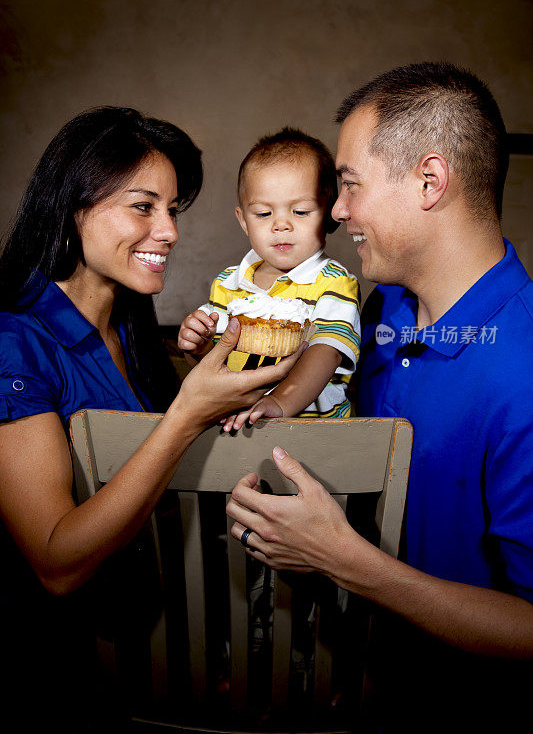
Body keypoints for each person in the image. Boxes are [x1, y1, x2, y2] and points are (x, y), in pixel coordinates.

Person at [226, 63, 533, 731]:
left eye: (348, 184)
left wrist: (343, 559)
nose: (335, 211)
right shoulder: (381, 309)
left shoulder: (522, 373)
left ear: (428, 181)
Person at [0, 106, 303, 732]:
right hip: (66, 670)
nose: (167, 231)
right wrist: (187, 413)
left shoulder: (133, 332)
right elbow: (56, 564)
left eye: (174, 210)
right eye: (143, 206)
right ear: (73, 205)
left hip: (156, 651)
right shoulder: (14, 340)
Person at [178, 127, 361, 428]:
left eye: (300, 211)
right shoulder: (228, 283)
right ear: (243, 221)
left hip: (314, 434)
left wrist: (279, 402)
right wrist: (198, 348)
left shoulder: (335, 283)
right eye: (263, 214)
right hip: (239, 425)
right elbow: (215, 368)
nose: (281, 225)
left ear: (329, 213)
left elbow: (325, 352)